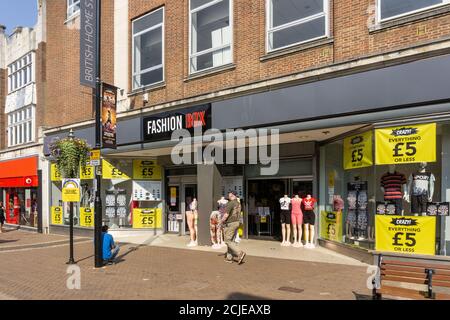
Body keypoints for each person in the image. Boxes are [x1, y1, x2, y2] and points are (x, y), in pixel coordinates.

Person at [219, 191, 246, 265]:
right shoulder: (238, 203)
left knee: (227, 240)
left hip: (231, 223)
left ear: (232, 195)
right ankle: (229, 258)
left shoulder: (230, 203)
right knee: (231, 240)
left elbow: (226, 215)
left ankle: (240, 253)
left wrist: (221, 222)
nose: (228, 195)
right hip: (237, 222)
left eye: (229, 194)